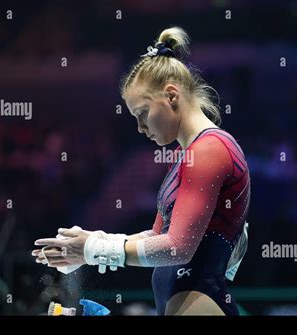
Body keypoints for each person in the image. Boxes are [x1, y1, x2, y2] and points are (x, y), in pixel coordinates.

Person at [32, 27, 250, 316]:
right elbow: (158, 236)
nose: (140, 128)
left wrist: (94, 249)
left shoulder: (209, 150)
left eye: (142, 114)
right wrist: (91, 241)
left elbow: (178, 247)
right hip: (181, 300)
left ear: (171, 96)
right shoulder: (186, 154)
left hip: (200, 302)